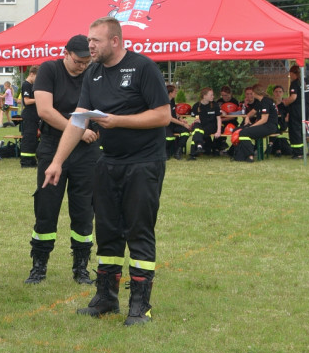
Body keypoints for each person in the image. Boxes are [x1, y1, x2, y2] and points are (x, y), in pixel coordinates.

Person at [44, 17, 170, 326]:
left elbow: (163, 115)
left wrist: (118, 121)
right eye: (89, 40)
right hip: (108, 162)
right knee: (108, 231)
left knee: (139, 231)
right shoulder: (94, 73)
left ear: (114, 41)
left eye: (95, 41)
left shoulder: (143, 68)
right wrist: (57, 161)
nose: (89, 45)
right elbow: (79, 120)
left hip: (143, 163)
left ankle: (140, 306)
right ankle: (106, 297)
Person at [26, 35, 98, 285]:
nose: (82, 66)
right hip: (53, 145)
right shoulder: (49, 70)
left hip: (87, 151)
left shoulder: (93, 72)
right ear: (65, 53)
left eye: (86, 62)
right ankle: (39, 267)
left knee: (84, 210)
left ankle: (81, 268)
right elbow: (45, 110)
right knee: (47, 206)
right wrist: (77, 130)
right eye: (78, 61)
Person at [230, 85, 277, 163]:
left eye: (252, 93)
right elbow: (253, 111)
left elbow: (264, 120)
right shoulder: (261, 101)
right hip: (264, 125)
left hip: (269, 127)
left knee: (243, 133)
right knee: (237, 130)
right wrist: (247, 117)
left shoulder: (265, 102)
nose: (251, 95)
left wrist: (251, 126)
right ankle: (239, 155)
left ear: (255, 93)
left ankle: (250, 156)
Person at [189, 88, 222, 159]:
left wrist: (218, 131)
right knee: (196, 128)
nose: (213, 96)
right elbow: (196, 116)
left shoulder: (215, 105)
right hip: (201, 125)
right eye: (211, 95)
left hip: (212, 126)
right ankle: (199, 146)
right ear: (204, 96)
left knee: (197, 131)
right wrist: (196, 119)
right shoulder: (196, 106)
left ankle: (196, 149)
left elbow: (219, 119)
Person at [18, 66, 39, 167]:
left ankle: (32, 161)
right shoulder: (26, 85)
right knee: (28, 140)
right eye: (37, 77)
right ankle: (26, 162)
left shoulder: (32, 85)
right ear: (31, 74)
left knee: (33, 140)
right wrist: (39, 99)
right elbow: (26, 101)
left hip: (34, 116)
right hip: (29, 116)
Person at [284, 65, 306, 159]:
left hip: (296, 110)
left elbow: (293, 97)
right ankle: (302, 151)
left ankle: (298, 153)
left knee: (295, 131)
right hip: (304, 109)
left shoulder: (294, 83)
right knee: (301, 131)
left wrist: (285, 102)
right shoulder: (305, 82)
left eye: (290, 74)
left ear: (293, 74)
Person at [165, 84, 191, 160]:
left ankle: (178, 151)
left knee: (186, 132)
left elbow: (174, 112)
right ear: (170, 93)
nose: (176, 93)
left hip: (174, 124)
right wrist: (182, 124)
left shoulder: (172, 100)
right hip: (166, 124)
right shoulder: (164, 102)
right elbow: (169, 118)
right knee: (169, 138)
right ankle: (165, 152)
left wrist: (180, 118)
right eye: (175, 91)